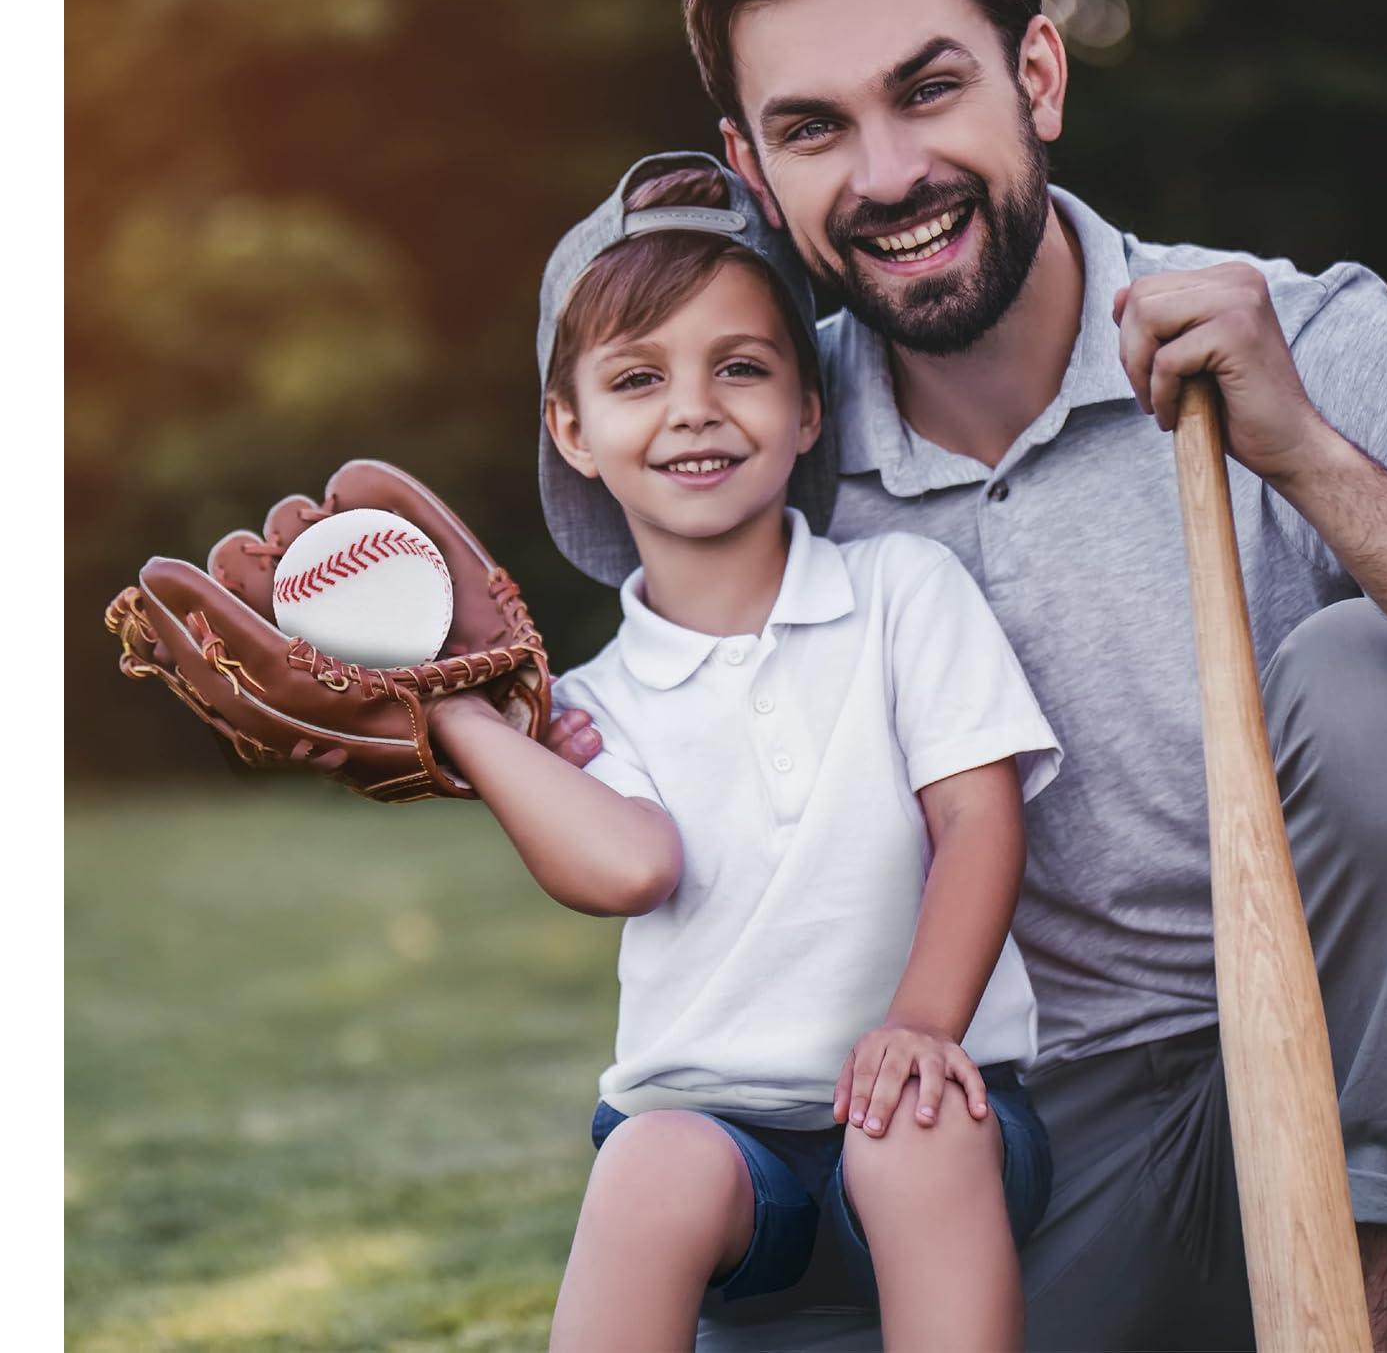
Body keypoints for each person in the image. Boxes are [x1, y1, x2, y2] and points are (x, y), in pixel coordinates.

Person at [547, 0, 1387, 1350]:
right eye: (814, 128)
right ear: (752, 169)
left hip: (1339, 1078)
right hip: (1000, 1130)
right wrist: (425, 684)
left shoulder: (1303, 340)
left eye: (928, 88)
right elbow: (620, 662)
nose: (888, 173)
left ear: (1038, 75)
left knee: (1368, 680)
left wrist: (1306, 454)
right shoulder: (760, 429)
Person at [428, 151, 1063, 1353]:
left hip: (938, 1104)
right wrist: (460, 719)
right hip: (725, 1158)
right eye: (637, 377)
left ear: (809, 406)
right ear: (571, 427)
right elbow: (629, 867)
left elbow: (980, 818)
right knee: (650, 1166)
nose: (694, 408)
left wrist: (922, 1022)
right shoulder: (588, 707)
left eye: (742, 367)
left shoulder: (902, 592)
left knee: (917, 1130)